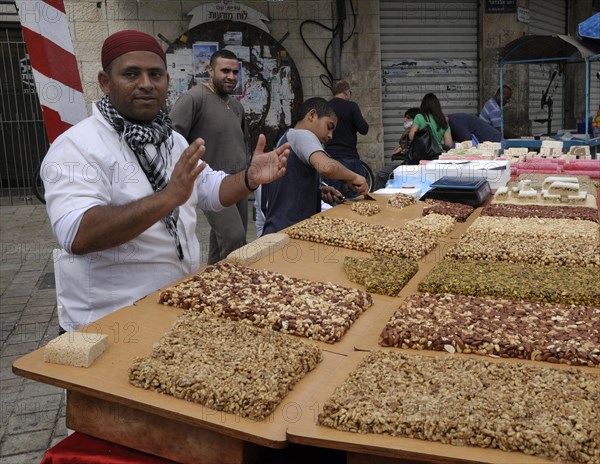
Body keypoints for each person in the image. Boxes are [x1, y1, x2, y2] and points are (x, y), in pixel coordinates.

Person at [41, 30, 289, 332]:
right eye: (131, 74)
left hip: (172, 307)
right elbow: (76, 235)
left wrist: (248, 178)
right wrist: (168, 197)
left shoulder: (171, 140)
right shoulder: (76, 146)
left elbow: (210, 189)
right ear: (105, 82)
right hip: (105, 321)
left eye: (155, 74)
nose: (145, 84)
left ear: (166, 82)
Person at [169, 50, 249, 264]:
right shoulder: (194, 98)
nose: (231, 76)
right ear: (209, 70)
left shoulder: (237, 106)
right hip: (212, 185)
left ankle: (211, 285)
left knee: (221, 242)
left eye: (235, 72)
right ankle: (235, 289)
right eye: (225, 71)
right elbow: (171, 140)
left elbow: (241, 142)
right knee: (235, 238)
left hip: (240, 182)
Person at [261, 97, 368, 235]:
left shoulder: (287, 137)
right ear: (312, 115)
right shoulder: (302, 135)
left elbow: (289, 184)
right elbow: (326, 167)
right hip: (289, 232)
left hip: (279, 229)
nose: (330, 136)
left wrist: (318, 191)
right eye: (329, 127)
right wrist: (353, 177)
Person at [323, 79, 369, 198]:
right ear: (347, 92)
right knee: (356, 195)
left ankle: (333, 216)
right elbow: (364, 129)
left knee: (331, 196)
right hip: (349, 157)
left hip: (330, 157)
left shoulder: (326, 107)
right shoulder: (351, 106)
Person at [374, 107, 419, 191]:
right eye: (405, 117)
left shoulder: (417, 134)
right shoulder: (407, 134)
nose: (405, 120)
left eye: (408, 118)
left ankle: (377, 198)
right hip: (408, 164)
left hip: (411, 166)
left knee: (381, 174)